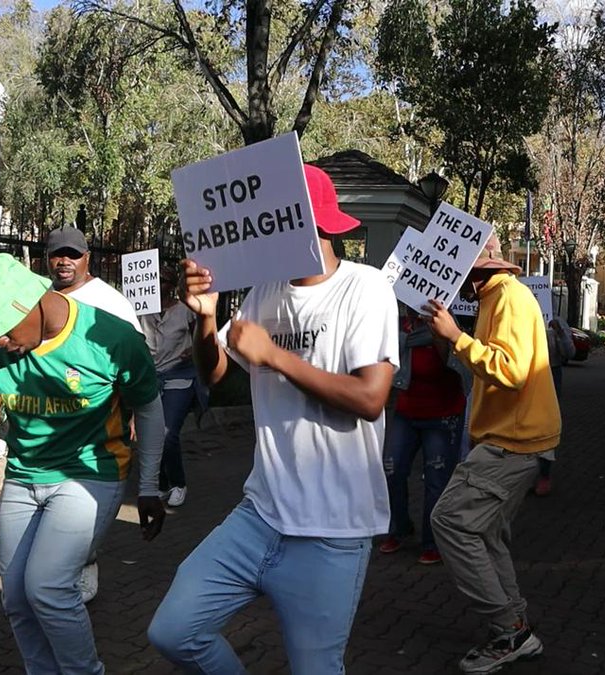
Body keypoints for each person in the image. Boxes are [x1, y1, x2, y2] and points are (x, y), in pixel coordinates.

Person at [147, 165, 398, 673]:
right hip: (259, 515)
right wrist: (206, 318)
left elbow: (371, 397)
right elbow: (214, 374)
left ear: (316, 224)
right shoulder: (265, 291)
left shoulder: (365, 289)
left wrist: (276, 357)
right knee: (173, 631)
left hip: (332, 532)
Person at [0, 254, 165, 674]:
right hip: (23, 476)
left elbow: (149, 410)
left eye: (2, 332)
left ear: (28, 304)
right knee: (17, 598)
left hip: (90, 475)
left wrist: (148, 486)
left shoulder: (111, 336)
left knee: (48, 588)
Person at [423, 233, 561, 674]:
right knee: (486, 533)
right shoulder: (495, 297)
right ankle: (513, 621)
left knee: (450, 522)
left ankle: (510, 632)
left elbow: (513, 371)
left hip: (512, 442)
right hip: (510, 440)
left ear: (474, 270)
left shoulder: (508, 298)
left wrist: (456, 338)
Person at [379, 306, 469, 564]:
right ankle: (399, 526)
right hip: (407, 413)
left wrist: (440, 334)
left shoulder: (448, 326)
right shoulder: (401, 329)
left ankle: (433, 541)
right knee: (392, 470)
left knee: (435, 480)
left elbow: (455, 366)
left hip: (443, 416)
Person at [139, 269, 202, 508]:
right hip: (150, 377)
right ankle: (163, 484)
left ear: (171, 285)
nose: (156, 285)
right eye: (152, 281)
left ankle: (178, 483)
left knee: (167, 432)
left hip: (179, 376)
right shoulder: (142, 311)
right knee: (150, 434)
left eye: (162, 281)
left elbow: (203, 337)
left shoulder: (185, 311)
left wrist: (194, 351)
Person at [47, 225, 143, 332]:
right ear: (47, 257)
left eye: (73, 254)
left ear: (87, 257)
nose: (64, 262)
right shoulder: (39, 296)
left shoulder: (112, 302)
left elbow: (133, 345)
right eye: (57, 254)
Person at [534, 315, 574, 496]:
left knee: (545, 424)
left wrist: (559, 332)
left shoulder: (555, 320)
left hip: (551, 372)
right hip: (526, 373)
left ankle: (543, 474)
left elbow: (569, 352)